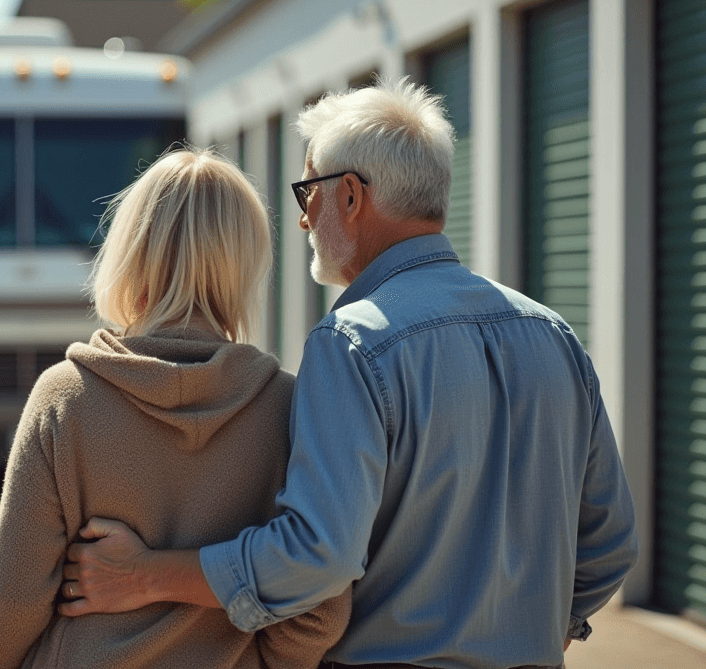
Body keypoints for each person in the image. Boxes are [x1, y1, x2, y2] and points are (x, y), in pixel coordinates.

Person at [57, 80, 639, 669]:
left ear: (353, 197)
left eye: (308, 191)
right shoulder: (553, 335)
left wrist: (145, 576)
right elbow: (611, 545)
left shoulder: (354, 342)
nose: (305, 220)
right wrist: (541, 630)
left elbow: (317, 559)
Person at [0, 149, 351, 669]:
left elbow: (13, 596)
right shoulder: (288, 408)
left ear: (131, 251)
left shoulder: (65, 399)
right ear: (246, 263)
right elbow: (320, 609)